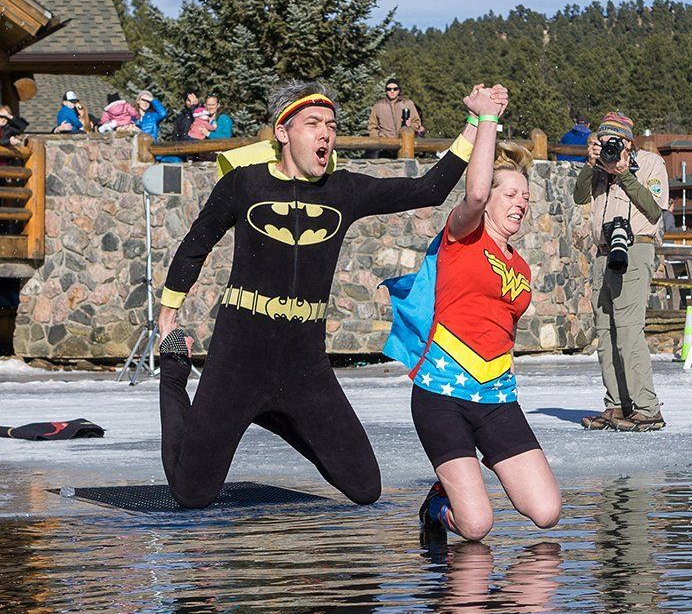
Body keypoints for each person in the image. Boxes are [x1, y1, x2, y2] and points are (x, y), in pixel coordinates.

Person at [155, 79, 486, 511]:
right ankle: (175, 375)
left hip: (303, 364)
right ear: (283, 131)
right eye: (312, 123)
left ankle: (272, 412)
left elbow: (429, 190)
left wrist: (476, 122)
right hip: (238, 360)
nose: (325, 133)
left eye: (330, 124)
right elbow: (195, 245)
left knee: (365, 487)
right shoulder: (243, 185)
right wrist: (168, 316)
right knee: (191, 494)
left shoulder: (343, 192)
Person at [383, 86, 561, 543]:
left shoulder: (519, 265)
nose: (521, 202)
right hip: (442, 395)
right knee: (477, 525)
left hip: (498, 399)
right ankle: (438, 507)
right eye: (512, 194)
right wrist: (487, 121)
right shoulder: (463, 236)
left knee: (546, 512)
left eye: (526, 196)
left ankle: (469, 484)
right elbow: (477, 193)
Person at [575, 110, 669, 432]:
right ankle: (616, 405)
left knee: (629, 330)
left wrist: (625, 173)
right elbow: (578, 196)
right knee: (605, 332)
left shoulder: (651, 163)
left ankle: (647, 407)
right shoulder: (599, 165)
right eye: (603, 141)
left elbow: (654, 209)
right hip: (603, 251)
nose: (609, 146)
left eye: (614, 141)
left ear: (629, 142)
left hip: (635, 247)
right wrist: (592, 165)